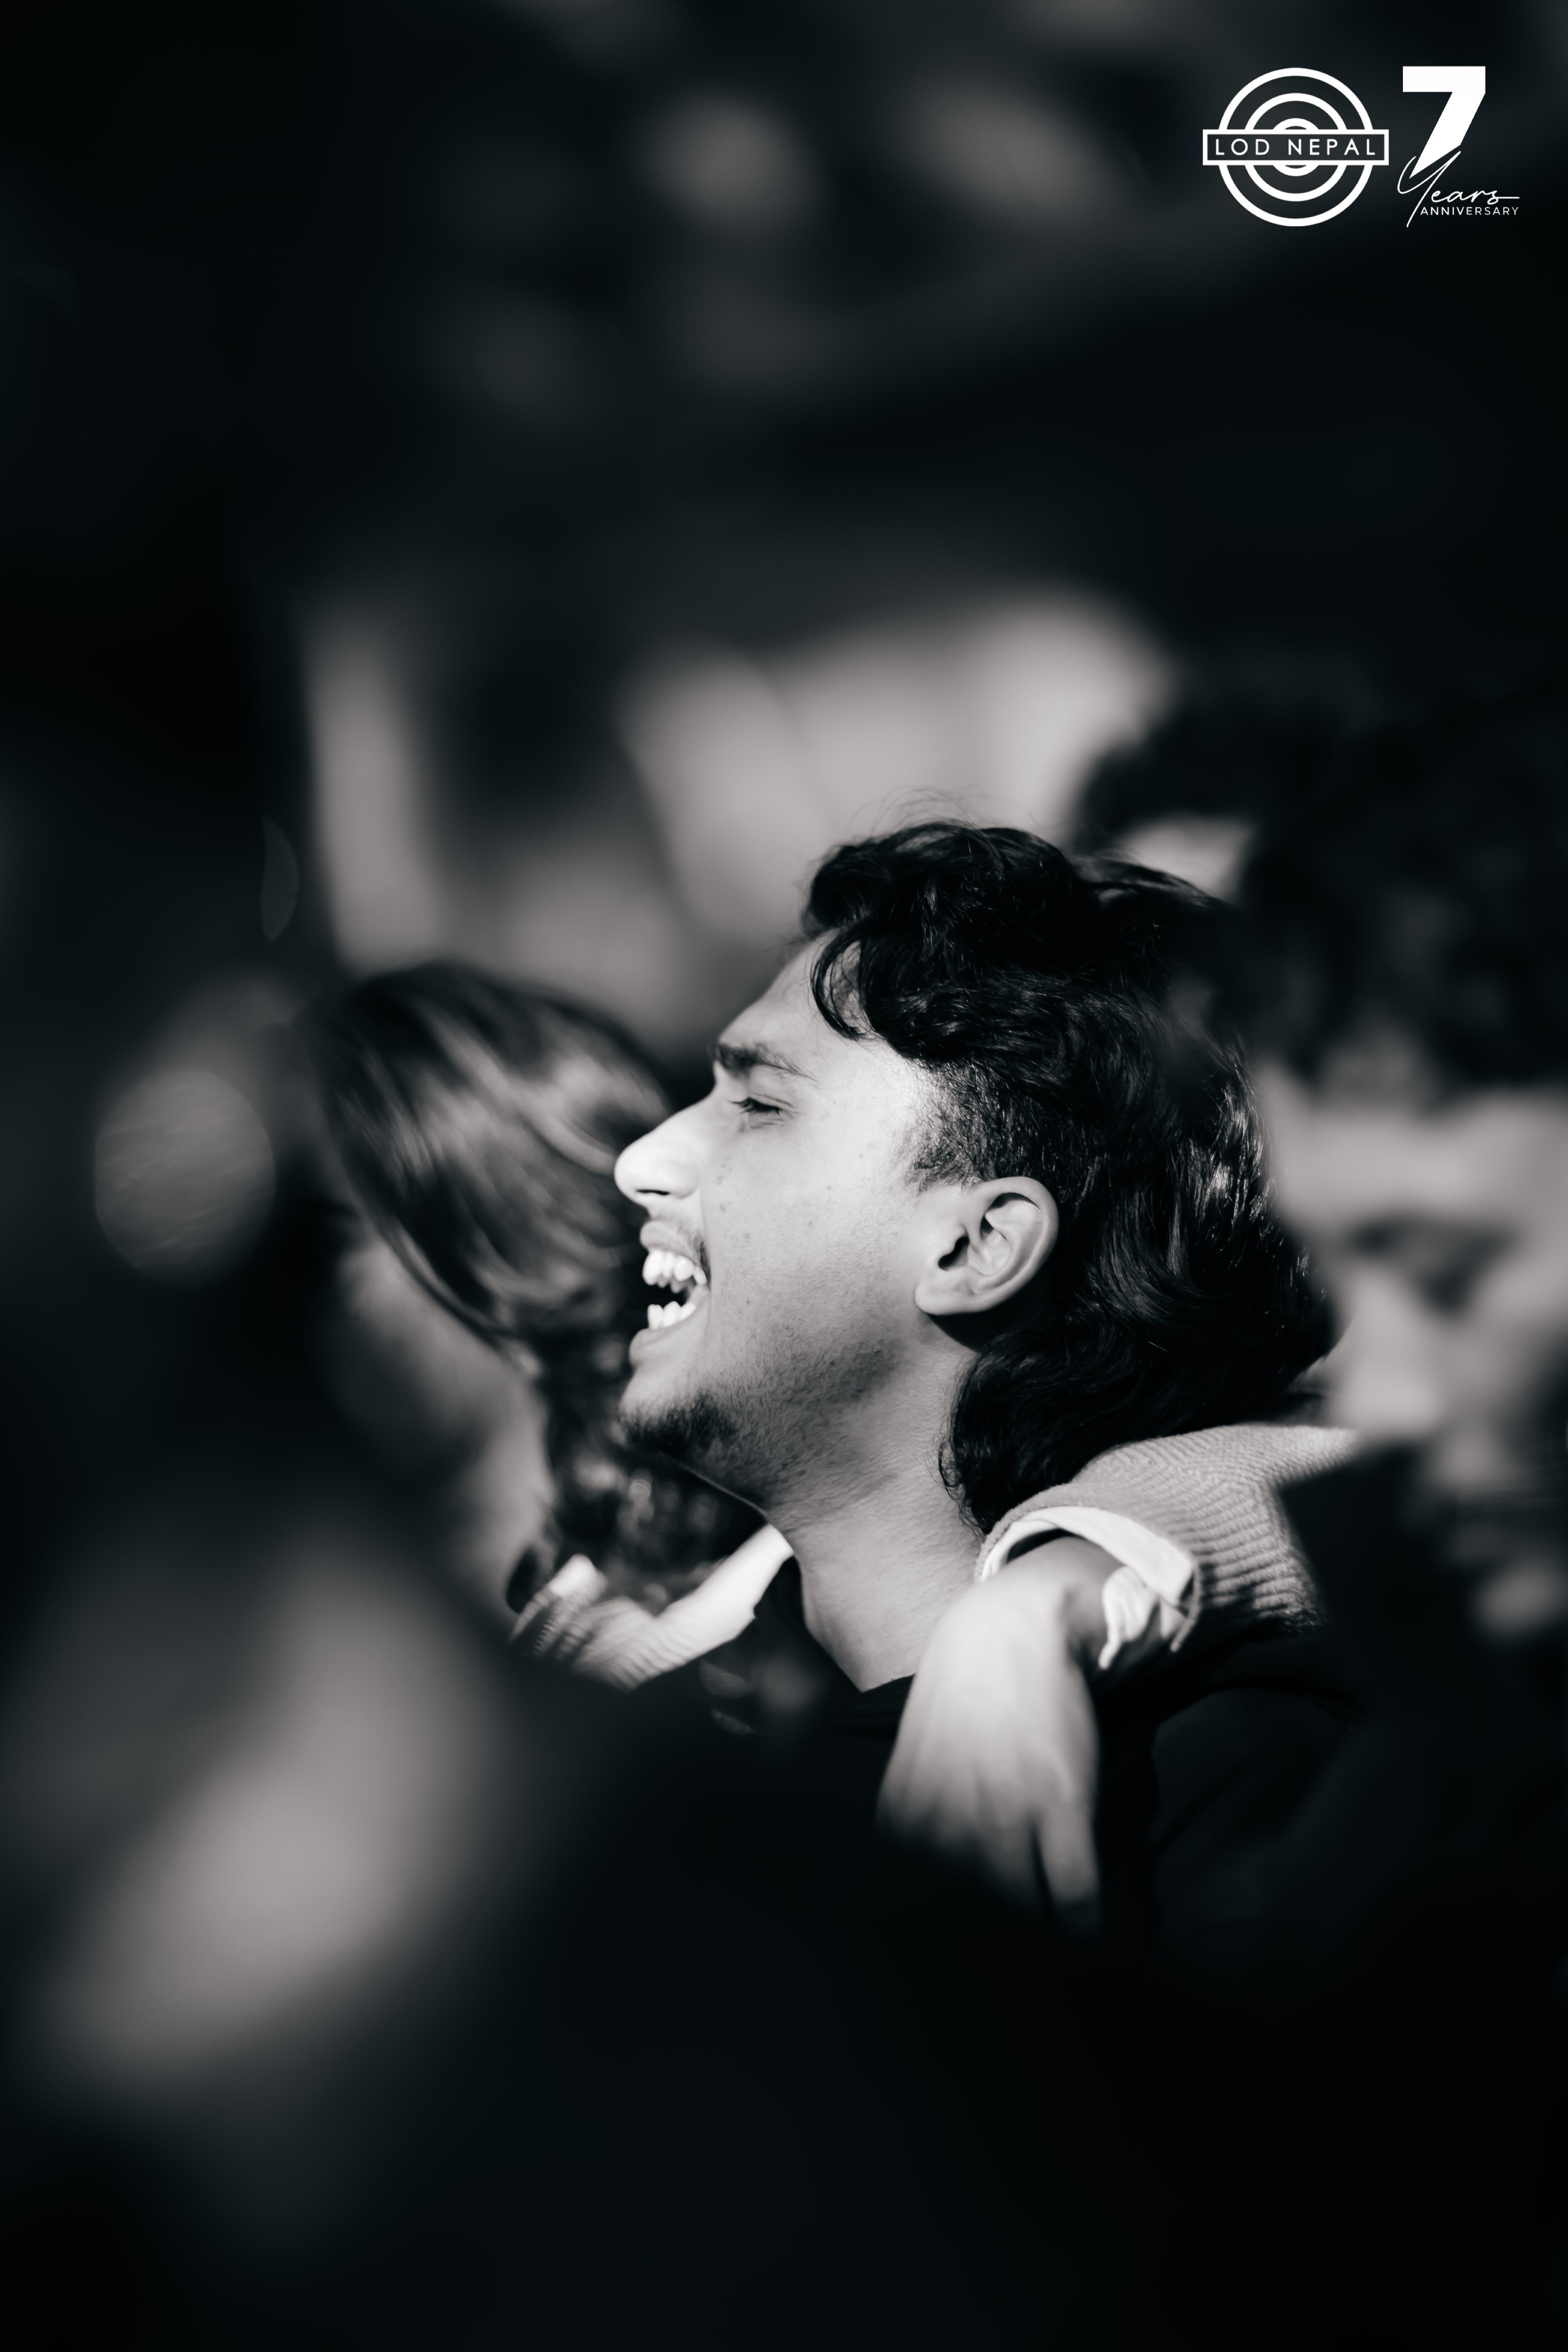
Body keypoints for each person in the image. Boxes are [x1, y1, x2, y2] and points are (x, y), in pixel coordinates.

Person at [611, 821, 1356, 1953]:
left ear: (979, 1245)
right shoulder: (669, 1771)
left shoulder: (1217, 1815)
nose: (642, 1161)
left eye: (758, 1105)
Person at [300, 962, 756, 1629]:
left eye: (332, 1237)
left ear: (503, 1240)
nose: (279, 1313)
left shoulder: (718, 1621)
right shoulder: (363, 1613)